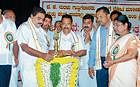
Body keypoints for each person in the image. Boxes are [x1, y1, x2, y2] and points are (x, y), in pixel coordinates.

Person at [17, 7, 54, 87]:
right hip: (29, 68)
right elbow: (24, 47)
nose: (41, 21)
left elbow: (47, 47)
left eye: (42, 19)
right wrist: (43, 55)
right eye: (39, 18)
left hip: (42, 66)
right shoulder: (24, 27)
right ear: (31, 16)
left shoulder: (40, 30)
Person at [104, 15, 138, 87]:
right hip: (115, 76)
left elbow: (131, 54)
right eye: (114, 25)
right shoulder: (117, 40)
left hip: (126, 75)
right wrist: (108, 61)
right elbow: (109, 54)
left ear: (125, 25)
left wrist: (113, 62)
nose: (114, 27)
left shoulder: (132, 38)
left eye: (117, 25)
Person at [88, 6, 114, 87]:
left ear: (108, 16)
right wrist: (90, 65)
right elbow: (93, 48)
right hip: (101, 62)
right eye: (97, 17)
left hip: (114, 61)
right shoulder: (98, 31)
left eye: (101, 17)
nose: (98, 19)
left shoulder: (117, 28)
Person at [78, 14, 97, 87]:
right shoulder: (77, 35)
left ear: (92, 24)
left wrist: (90, 40)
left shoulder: (96, 35)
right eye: (84, 23)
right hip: (81, 68)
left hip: (93, 68)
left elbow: (98, 50)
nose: (86, 25)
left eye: (88, 23)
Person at [3, 9, 20, 87]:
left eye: (14, 17)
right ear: (4, 17)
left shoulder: (15, 28)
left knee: (13, 82)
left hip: (12, 61)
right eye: (10, 17)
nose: (13, 19)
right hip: (2, 61)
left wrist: (16, 57)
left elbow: (15, 44)